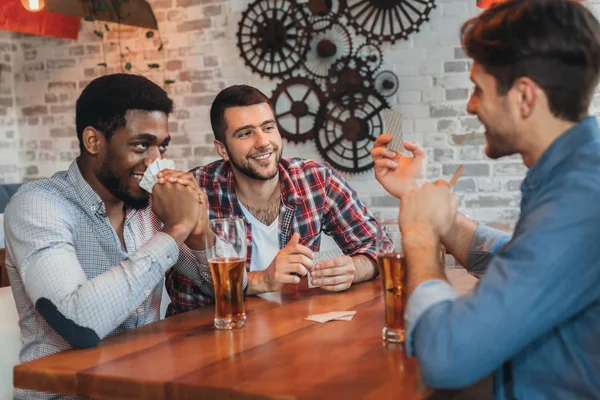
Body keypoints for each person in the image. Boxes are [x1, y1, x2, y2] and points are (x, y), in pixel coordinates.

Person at [371, 0, 600, 398]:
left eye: (479, 89)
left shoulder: (581, 199)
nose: (470, 105)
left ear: (525, 97)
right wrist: (419, 199)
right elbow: (520, 262)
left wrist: (422, 236)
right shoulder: (576, 176)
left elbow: (445, 357)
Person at [4, 74, 209, 400]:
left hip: (144, 387)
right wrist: (176, 230)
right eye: (141, 145)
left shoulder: (149, 202)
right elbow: (79, 324)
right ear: (93, 141)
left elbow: (218, 285)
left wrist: (199, 228)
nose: (157, 161)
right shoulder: (39, 205)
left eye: (162, 146)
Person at [165, 85, 395, 315]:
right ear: (223, 149)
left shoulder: (315, 179)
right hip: (215, 334)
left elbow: (380, 247)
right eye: (245, 133)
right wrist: (261, 280)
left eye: (268, 127)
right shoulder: (195, 190)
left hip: (290, 327)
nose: (263, 142)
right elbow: (186, 292)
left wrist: (355, 268)